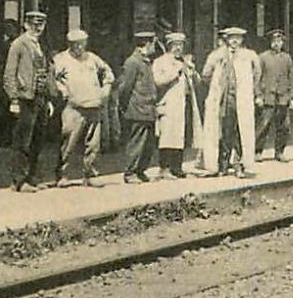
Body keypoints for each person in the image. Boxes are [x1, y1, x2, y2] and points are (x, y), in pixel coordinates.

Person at [52, 29, 114, 188]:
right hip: (74, 107)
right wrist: (63, 92)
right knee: (69, 142)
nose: (79, 47)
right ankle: (62, 174)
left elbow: (108, 73)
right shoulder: (61, 59)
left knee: (93, 144)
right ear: (69, 44)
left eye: (82, 44)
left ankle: (90, 174)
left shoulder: (92, 58)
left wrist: (105, 89)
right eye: (75, 44)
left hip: (94, 105)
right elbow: (54, 80)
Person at [4, 9, 54, 192]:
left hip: (40, 97)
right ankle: (19, 180)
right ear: (26, 25)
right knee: (22, 141)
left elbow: (46, 72)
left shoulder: (42, 45)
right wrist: (14, 98)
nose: (37, 28)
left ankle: (33, 177)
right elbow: (9, 73)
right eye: (33, 24)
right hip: (25, 98)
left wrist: (48, 98)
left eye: (40, 25)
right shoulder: (18, 44)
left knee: (37, 139)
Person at [201, 26, 261, 178]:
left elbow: (257, 74)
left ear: (242, 40)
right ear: (226, 39)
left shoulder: (249, 55)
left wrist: (250, 90)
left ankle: (239, 165)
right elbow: (206, 74)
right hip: (225, 101)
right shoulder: (217, 55)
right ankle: (223, 164)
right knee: (225, 133)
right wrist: (218, 88)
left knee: (242, 133)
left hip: (242, 99)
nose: (235, 41)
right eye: (232, 37)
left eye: (238, 38)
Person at [152, 32, 199, 179]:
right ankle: (164, 168)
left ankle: (177, 167)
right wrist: (175, 71)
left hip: (183, 103)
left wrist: (191, 70)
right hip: (168, 103)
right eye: (175, 45)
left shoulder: (185, 62)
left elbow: (197, 82)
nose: (178, 48)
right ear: (169, 46)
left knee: (180, 135)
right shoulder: (160, 61)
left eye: (181, 45)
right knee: (167, 136)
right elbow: (157, 81)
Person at [117, 31, 159, 183]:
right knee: (137, 142)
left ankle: (141, 170)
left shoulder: (145, 61)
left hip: (148, 109)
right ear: (147, 44)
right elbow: (124, 88)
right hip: (137, 109)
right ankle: (130, 172)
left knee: (148, 143)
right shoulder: (133, 62)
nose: (155, 47)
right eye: (154, 43)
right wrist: (124, 107)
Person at [255, 29, 293, 162]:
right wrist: (258, 96)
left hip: (283, 98)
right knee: (263, 125)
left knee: (284, 126)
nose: (277, 44)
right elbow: (256, 78)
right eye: (274, 41)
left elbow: (292, 79)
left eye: (279, 41)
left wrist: (292, 97)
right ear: (270, 42)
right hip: (268, 97)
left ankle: (279, 152)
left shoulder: (287, 58)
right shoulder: (263, 57)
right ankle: (257, 152)